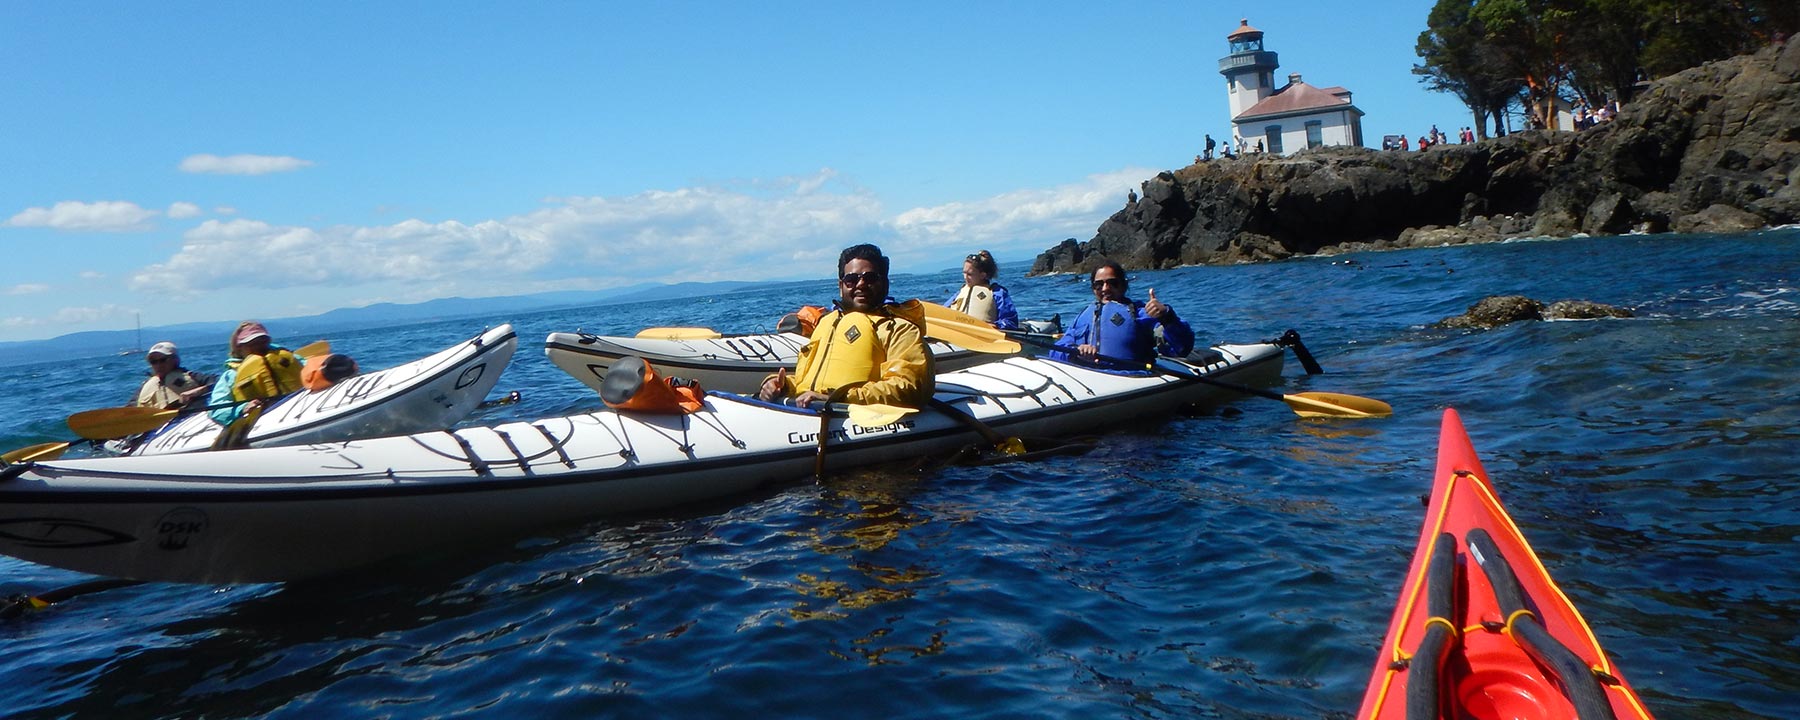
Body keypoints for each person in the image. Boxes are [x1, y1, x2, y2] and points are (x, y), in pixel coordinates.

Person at [757, 244, 933, 409]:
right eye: (851, 279)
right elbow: (811, 382)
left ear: (885, 283)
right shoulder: (826, 323)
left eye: (870, 278)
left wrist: (836, 398)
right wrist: (781, 385)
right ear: (841, 286)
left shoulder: (899, 330)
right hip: (810, 412)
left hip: (851, 415)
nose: (861, 284)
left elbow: (907, 386)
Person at [1050, 261, 1194, 366]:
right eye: (1098, 285)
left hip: (1130, 377)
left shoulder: (1141, 314)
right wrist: (1075, 350)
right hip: (1090, 379)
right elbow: (1055, 352)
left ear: (1124, 285)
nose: (1105, 289)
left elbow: (1180, 349)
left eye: (1112, 283)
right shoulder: (1083, 316)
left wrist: (1167, 316)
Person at [208, 321, 304, 427]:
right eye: (252, 343)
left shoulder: (289, 357)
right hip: (263, 420)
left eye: (263, 340)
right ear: (239, 348)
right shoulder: (231, 375)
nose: (259, 346)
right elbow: (216, 410)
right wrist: (242, 408)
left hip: (299, 405)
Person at [945, 249, 1020, 330]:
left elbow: (1011, 321)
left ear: (982, 275)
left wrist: (997, 325)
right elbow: (943, 310)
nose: (965, 277)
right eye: (964, 273)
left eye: (970, 274)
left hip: (984, 336)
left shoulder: (997, 292)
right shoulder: (960, 293)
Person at [131, 341, 215, 411]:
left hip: (190, 420)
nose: (158, 365)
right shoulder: (144, 387)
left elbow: (221, 382)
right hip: (160, 427)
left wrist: (199, 390)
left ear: (175, 360)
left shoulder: (193, 376)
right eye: (153, 361)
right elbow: (130, 409)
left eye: (163, 360)